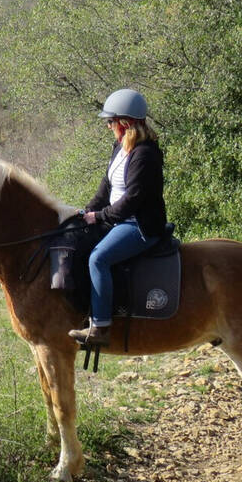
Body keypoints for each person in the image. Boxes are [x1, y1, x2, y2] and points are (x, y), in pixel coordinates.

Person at [68, 88, 168, 347]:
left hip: (139, 224)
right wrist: (85, 211)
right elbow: (106, 187)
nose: (108, 126)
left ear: (125, 122)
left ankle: (101, 328)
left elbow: (132, 199)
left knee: (99, 258)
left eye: (110, 121)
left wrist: (99, 216)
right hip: (118, 220)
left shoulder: (145, 154)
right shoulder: (120, 148)